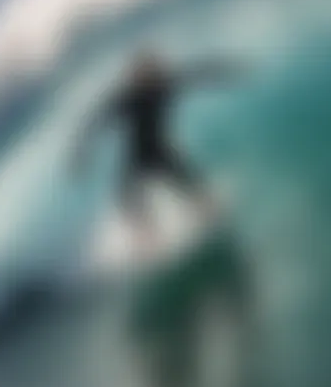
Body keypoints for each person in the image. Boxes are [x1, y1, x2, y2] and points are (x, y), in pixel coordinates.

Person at [74, 49, 246, 251]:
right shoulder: (127, 98)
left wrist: (226, 70)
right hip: (137, 156)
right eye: (141, 75)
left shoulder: (164, 84)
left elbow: (198, 73)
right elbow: (97, 120)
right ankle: (148, 241)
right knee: (129, 198)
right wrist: (82, 151)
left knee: (189, 184)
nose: (147, 79)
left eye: (150, 73)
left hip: (159, 150)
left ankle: (211, 218)